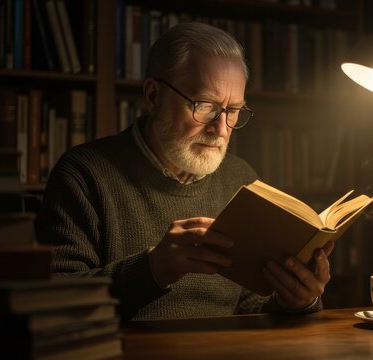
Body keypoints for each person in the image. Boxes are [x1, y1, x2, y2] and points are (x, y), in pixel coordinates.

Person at [36, 22, 334, 320]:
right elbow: (56, 302)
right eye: (205, 106)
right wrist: (153, 269)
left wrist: (295, 301)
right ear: (153, 96)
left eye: (233, 111)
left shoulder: (240, 178)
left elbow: (248, 308)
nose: (220, 129)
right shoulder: (83, 174)